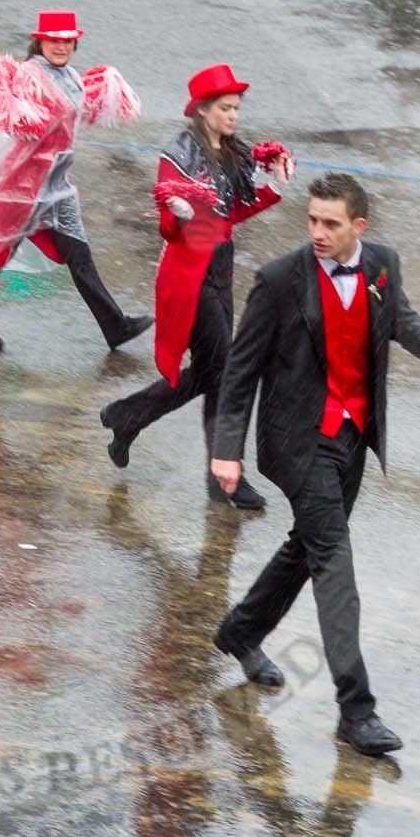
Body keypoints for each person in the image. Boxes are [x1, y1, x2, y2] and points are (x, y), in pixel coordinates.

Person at [209, 173, 420, 755]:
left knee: (308, 544)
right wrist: (226, 450)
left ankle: (241, 631)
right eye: (312, 221)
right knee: (334, 562)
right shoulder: (279, 280)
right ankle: (357, 711)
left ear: (359, 226)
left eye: (331, 223)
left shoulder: (381, 265)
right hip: (296, 440)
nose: (318, 233)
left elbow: (401, 319)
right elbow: (241, 367)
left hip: (353, 435)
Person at [100, 62, 289, 510]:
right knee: (226, 372)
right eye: (225, 108)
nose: (234, 116)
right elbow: (169, 226)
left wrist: (271, 188)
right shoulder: (178, 153)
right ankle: (223, 476)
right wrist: (180, 213)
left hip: (221, 265)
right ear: (203, 110)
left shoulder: (232, 152)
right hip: (189, 270)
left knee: (212, 372)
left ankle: (128, 415)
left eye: (237, 108)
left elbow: (229, 216)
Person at [0, 11, 151, 355]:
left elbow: (75, 115)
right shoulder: (26, 76)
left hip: (58, 186)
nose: (61, 46)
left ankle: (115, 325)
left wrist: (104, 90)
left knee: (79, 254)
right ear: (39, 42)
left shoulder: (70, 76)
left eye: (67, 41)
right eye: (54, 40)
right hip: (22, 185)